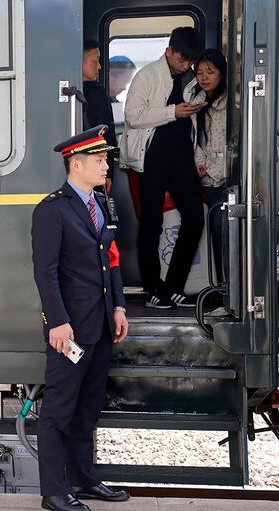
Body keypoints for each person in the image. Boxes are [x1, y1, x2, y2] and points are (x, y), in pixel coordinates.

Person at [31, 125, 129, 511]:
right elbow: (46, 272)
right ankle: (54, 491)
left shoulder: (99, 204)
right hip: (69, 329)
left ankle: (83, 478)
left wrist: (119, 307)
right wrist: (57, 322)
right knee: (58, 410)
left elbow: (112, 260)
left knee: (88, 410)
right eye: (100, 159)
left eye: (106, 158)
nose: (107, 165)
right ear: (77, 164)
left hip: (101, 325)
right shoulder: (52, 210)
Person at [120, 26, 205, 309]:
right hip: (152, 156)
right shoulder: (147, 75)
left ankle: (174, 286)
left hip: (182, 156)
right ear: (168, 51)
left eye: (190, 61)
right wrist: (174, 112)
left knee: (195, 216)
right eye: (182, 59)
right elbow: (133, 115)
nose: (186, 65)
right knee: (151, 223)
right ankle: (153, 289)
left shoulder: (191, 76)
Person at [185, 49, 228, 288]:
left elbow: (229, 145)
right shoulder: (196, 101)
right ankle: (220, 286)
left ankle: (229, 289)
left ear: (222, 74)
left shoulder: (232, 103)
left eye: (210, 72)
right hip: (207, 179)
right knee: (214, 230)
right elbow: (197, 139)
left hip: (226, 177)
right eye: (200, 72)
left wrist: (213, 168)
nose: (204, 77)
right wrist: (199, 163)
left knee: (225, 231)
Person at [82, 39, 117, 192]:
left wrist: (107, 173)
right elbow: (107, 134)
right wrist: (107, 173)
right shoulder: (98, 94)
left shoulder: (98, 93)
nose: (99, 66)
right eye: (94, 61)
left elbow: (107, 135)